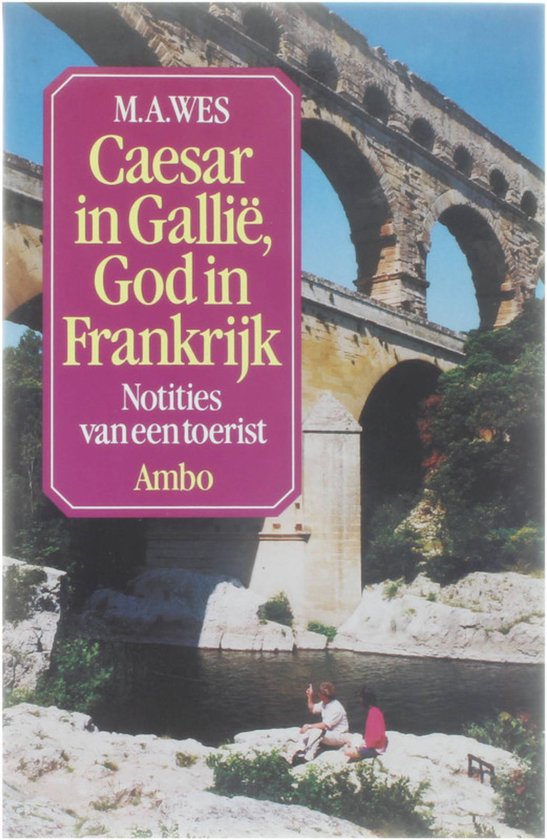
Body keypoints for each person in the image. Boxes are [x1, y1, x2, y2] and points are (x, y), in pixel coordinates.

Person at [286, 681, 350, 764]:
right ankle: (299, 751)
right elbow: (312, 709)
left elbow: (325, 725)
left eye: (319, 693)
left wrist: (309, 726)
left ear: (322, 695)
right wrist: (309, 696)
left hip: (339, 736)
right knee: (309, 729)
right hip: (330, 734)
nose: (318, 694)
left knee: (316, 730)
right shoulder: (325, 703)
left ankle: (308, 758)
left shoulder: (336, 708)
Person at [345, 686, 387, 760]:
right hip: (377, 745)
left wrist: (366, 746)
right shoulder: (376, 710)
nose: (360, 700)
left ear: (365, 700)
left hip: (376, 749)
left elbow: (376, 737)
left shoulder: (373, 714)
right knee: (355, 736)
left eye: (361, 698)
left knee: (347, 751)